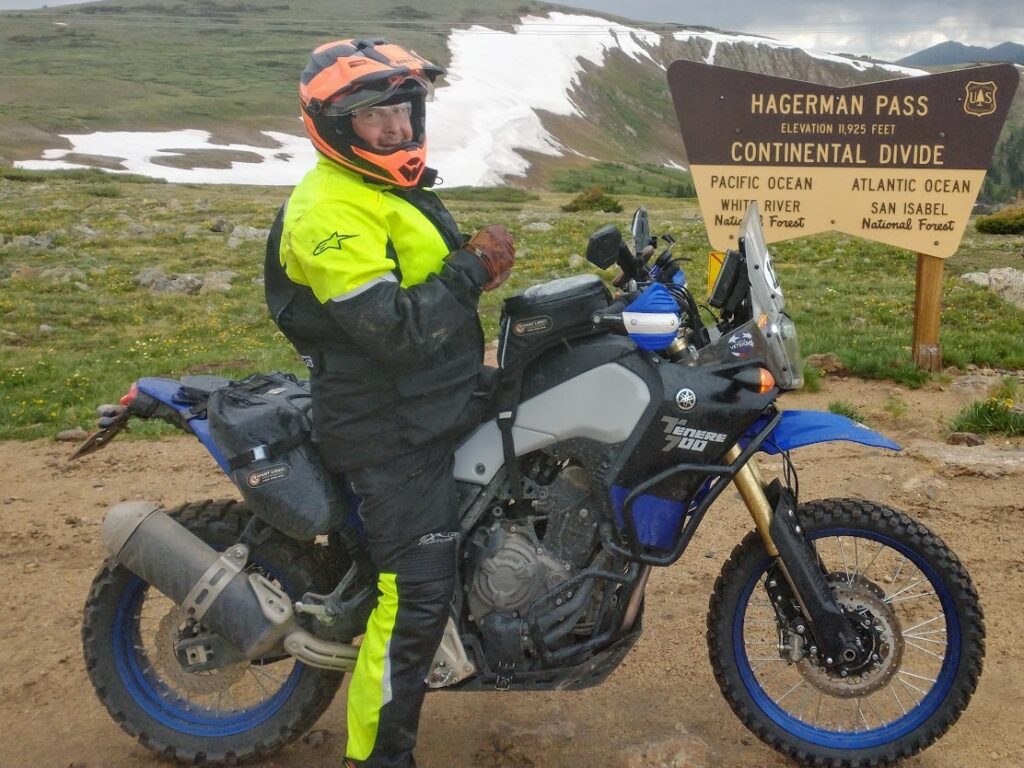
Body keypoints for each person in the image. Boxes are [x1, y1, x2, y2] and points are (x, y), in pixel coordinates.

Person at [264, 38, 514, 768]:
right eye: (377, 120)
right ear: (337, 128)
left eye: (403, 112)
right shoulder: (328, 211)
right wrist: (472, 269)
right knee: (412, 596)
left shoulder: (382, 190)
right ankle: (376, 758)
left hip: (433, 399)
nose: (396, 130)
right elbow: (396, 332)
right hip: (387, 426)